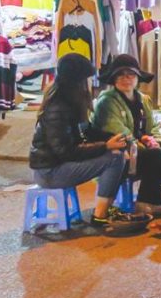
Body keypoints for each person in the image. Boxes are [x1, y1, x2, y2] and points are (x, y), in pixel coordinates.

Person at [29, 54, 143, 231]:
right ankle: (100, 216)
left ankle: (106, 209)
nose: (90, 84)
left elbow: (87, 130)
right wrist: (106, 146)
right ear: (78, 81)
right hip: (50, 171)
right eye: (88, 79)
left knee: (118, 153)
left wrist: (115, 139)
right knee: (115, 158)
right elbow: (65, 151)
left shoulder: (71, 102)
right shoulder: (58, 107)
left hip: (59, 164)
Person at [92, 54, 161, 214]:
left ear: (137, 77)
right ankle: (144, 202)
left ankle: (160, 201)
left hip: (139, 152)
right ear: (113, 78)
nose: (126, 79)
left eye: (131, 74)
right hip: (118, 157)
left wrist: (154, 140)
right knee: (156, 155)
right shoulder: (106, 102)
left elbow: (152, 127)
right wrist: (145, 144)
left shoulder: (143, 99)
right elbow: (120, 133)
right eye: (121, 75)